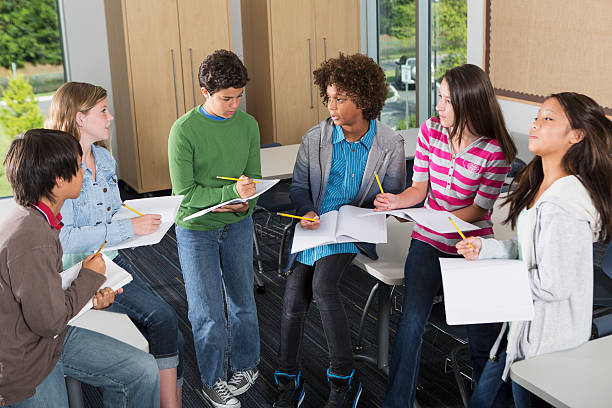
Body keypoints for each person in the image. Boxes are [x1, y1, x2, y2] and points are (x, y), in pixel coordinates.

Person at [378, 64, 518, 408]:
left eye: (446, 101)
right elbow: (419, 188)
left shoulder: (494, 152)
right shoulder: (430, 131)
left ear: (470, 104)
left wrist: (441, 218)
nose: (438, 107)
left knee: (483, 341)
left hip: (472, 245)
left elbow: (479, 211)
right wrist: (398, 201)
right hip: (427, 240)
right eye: (439, 98)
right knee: (411, 325)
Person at [459, 92, 612, 408]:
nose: (535, 124)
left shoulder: (564, 206)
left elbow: (553, 283)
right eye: (536, 117)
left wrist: (491, 281)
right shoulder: (542, 184)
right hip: (522, 329)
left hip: (547, 344)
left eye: (548, 119)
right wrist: (487, 250)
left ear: (576, 135)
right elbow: (529, 248)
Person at [273, 53, 406, 408]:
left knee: (322, 284)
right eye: (328, 97)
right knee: (292, 297)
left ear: (363, 100)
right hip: (316, 226)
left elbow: (393, 193)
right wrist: (307, 210)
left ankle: (343, 380)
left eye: (340, 98)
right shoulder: (314, 138)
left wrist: (386, 202)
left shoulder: (390, 143)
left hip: (353, 229)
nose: (331, 106)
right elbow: (299, 188)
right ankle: (288, 380)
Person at [45, 82, 184, 408]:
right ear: (80, 118)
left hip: (114, 261)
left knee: (171, 334)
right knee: (163, 319)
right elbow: (64, 239)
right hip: (79, 270)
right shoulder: (57, 170)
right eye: (103, 110)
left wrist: (145, 216)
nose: (110, 117)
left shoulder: (104, 158)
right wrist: (125, 228)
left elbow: (114, 210)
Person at [0, 129, 160, 407]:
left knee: (141, 371)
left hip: (48, 338)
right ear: (58, 181)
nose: (84, 172)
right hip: (25, 359)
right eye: (78, 167)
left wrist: (88, 295)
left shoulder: (34, 215)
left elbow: (43, 300)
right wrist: (90, 277)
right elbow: (48, 320)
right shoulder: (31, 237)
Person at [168, 49, 261, 408]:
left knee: (242, 302)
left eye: (239, 96)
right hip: (196, 229)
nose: (234, 105)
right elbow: (185, 197)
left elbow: (253, 181)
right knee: (206, 310)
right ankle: (212, 381)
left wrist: (246, 201)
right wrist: (229, 193)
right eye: (226, 98)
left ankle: (247, 364)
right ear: (205, 93)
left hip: (238, 223)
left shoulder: (248, 125)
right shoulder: (184, 131)